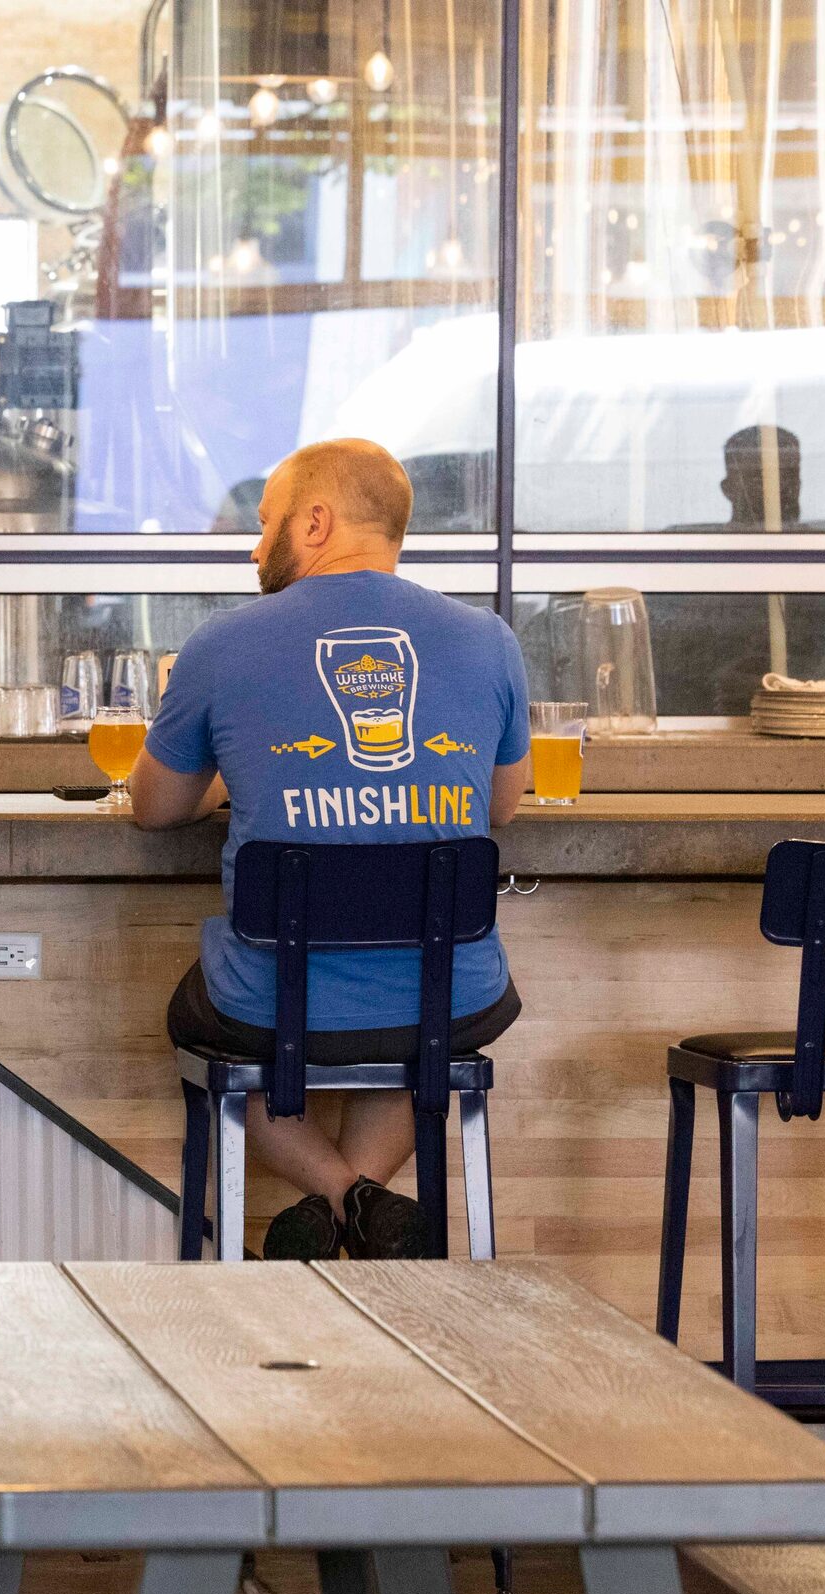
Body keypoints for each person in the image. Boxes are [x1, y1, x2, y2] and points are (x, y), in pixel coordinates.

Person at [131, 437, 531, 1260]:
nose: (255, 544)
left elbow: (154, 807)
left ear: (316, 522)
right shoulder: (489, 640)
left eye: (267, 521)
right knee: (412, 1018)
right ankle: (368, 1203)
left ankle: (333, 1198)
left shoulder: (224, 643)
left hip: (269, 1004)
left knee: (196, 1029)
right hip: (447, 993)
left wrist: (231, 782)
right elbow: (503, 802)